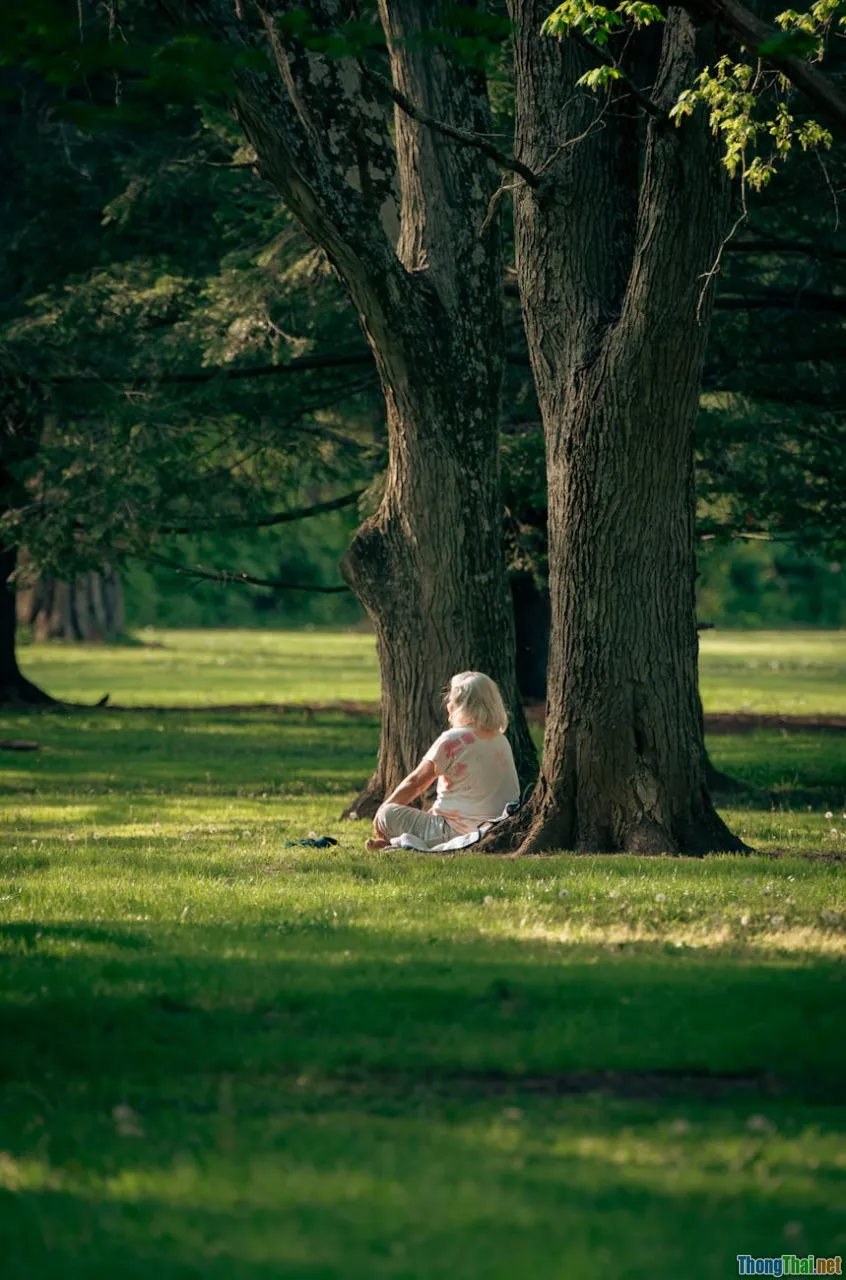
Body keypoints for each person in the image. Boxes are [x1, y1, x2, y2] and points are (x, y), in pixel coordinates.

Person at [367, 671, 520, 851]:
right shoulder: (500, 739)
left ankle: (398, 842)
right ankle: (399, 843)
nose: (448, 704)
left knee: (388, 814)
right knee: (428, 815)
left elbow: (416, 782)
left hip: (460, 832)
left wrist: (381, 813)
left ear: (462, 705)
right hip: (497, 828)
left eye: (451, 699)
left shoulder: (453, 740)